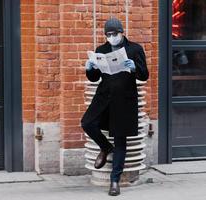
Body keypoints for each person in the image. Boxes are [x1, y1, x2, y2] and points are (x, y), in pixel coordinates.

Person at [81, 18, 149, 196]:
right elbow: (94, 78)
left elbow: (144, 75)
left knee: (120, 139)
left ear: (121, 32)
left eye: (114, 34)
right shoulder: (101, 50)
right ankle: (105, 147)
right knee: (87, 123)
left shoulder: (135, 49)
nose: (111, 37)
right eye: (108, 34)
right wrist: (89, 68)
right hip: (104, 97)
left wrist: (135, 68)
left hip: (124, 100)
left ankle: (114, 181)